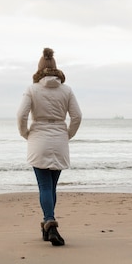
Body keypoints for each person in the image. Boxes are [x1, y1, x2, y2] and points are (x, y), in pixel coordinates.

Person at [17, 48, 82, 246]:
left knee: (45, 186)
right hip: (59, 139)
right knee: (52, 186)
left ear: (39, 68)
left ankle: (50, 223)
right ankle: (48, 222)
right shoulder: (67, 89)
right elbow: (77, 116)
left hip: (39, 138)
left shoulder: (32, 89)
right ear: (55, 68)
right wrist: (67, 134)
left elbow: (21, 115)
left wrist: (26, 133)